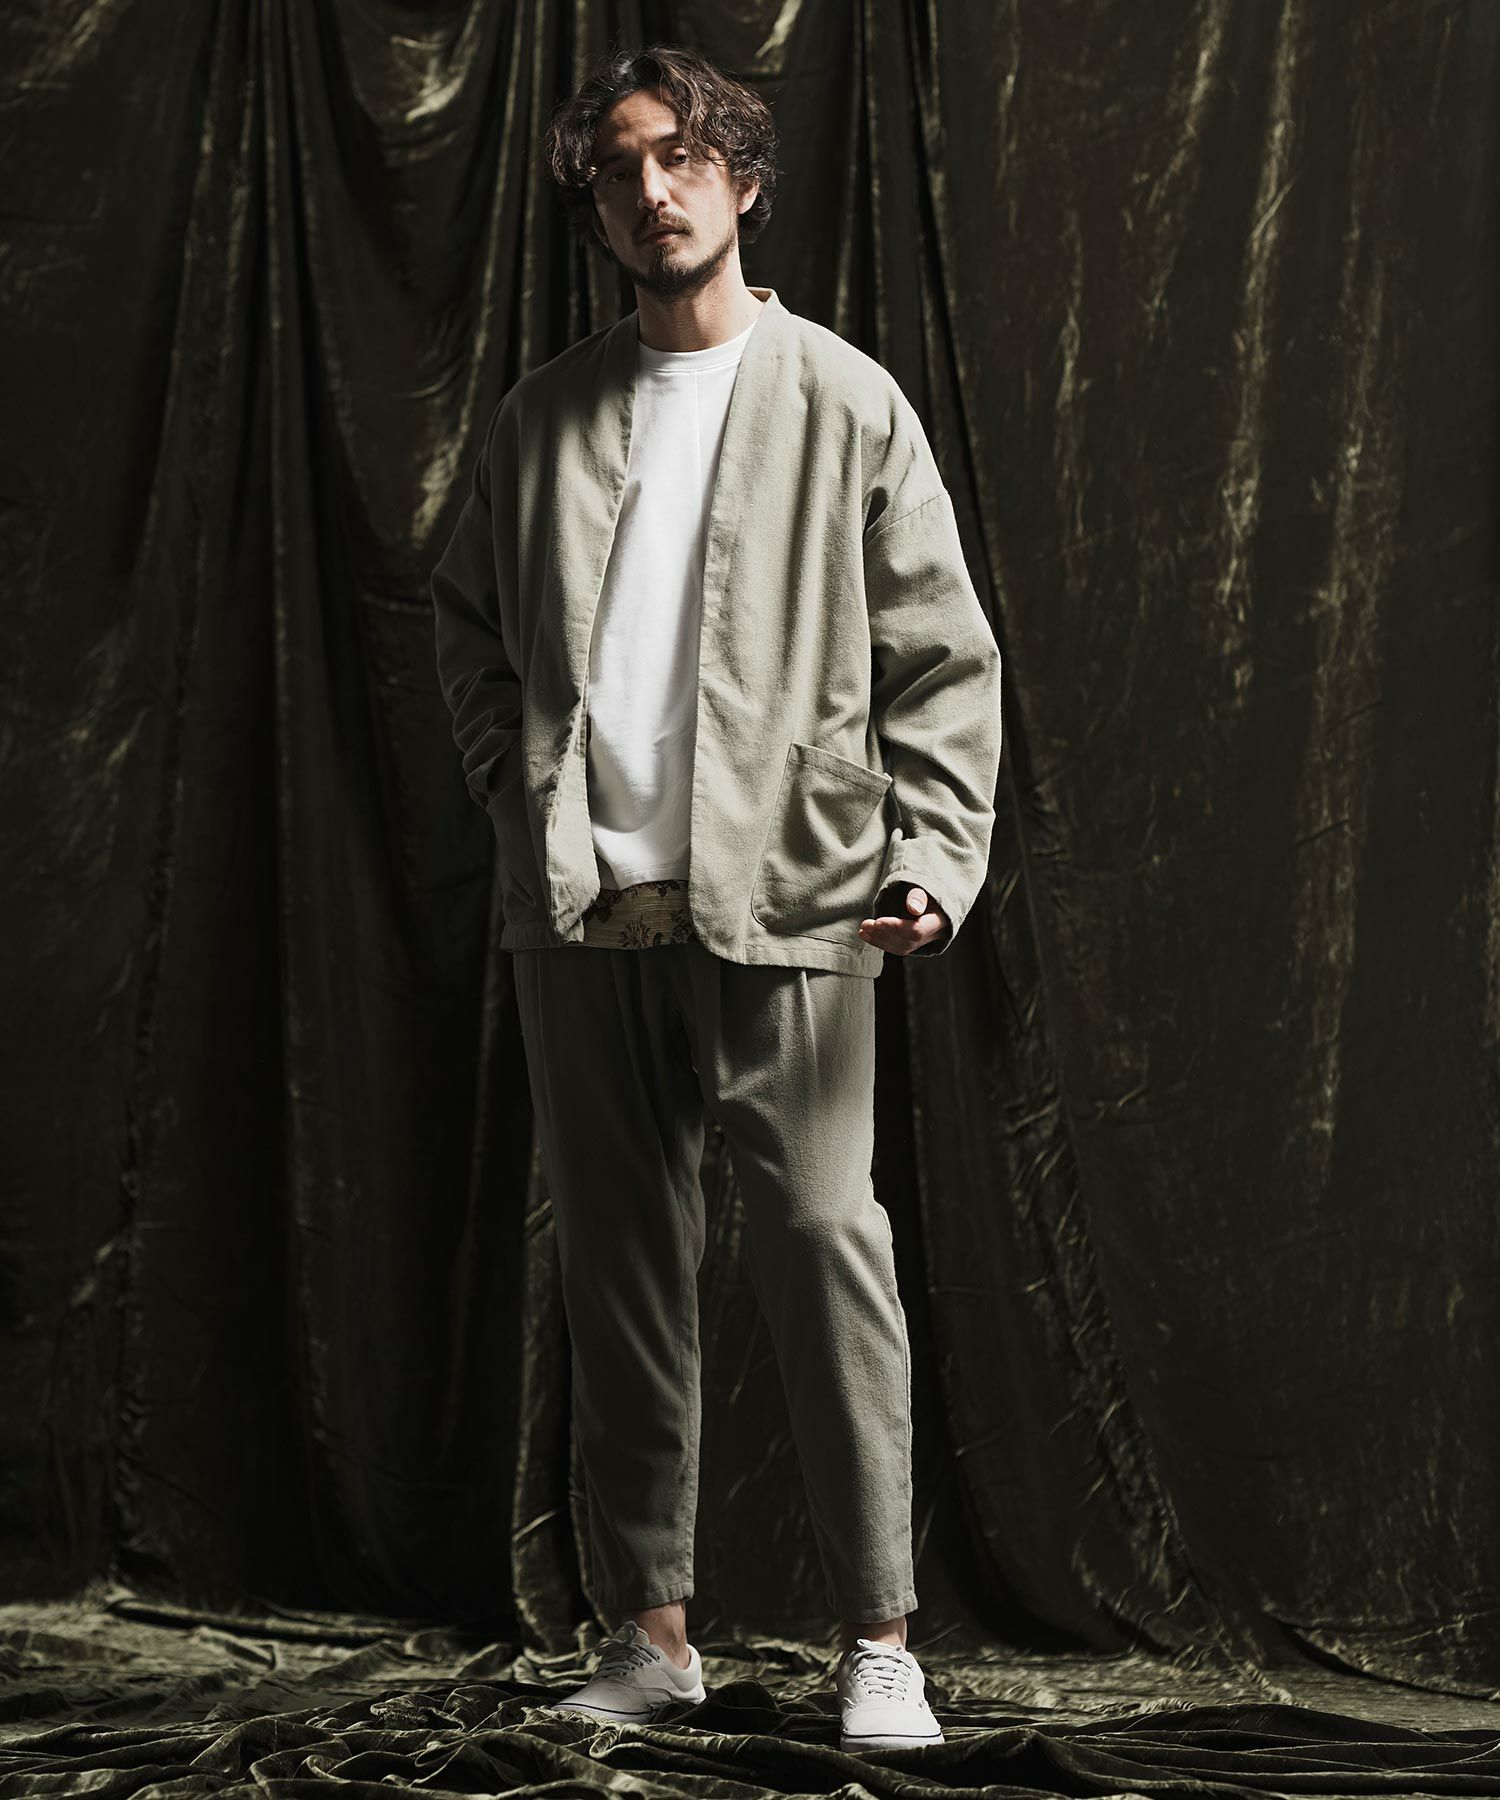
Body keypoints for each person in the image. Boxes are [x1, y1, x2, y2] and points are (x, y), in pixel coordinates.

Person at [430, 41, 1002, 1754]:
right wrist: (519, 793)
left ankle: (879, 1643)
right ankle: (653, 1634)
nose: (651, 188)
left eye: (681, 154)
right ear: (597, 205)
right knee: (621, 1270)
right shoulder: (542, 416)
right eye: (619, 166)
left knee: (825, 1246)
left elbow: (943, 659)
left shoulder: (847, 399)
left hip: (798, 897)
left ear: (742, 182)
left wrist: (930, 857)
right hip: (588, 907)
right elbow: (466, 628)